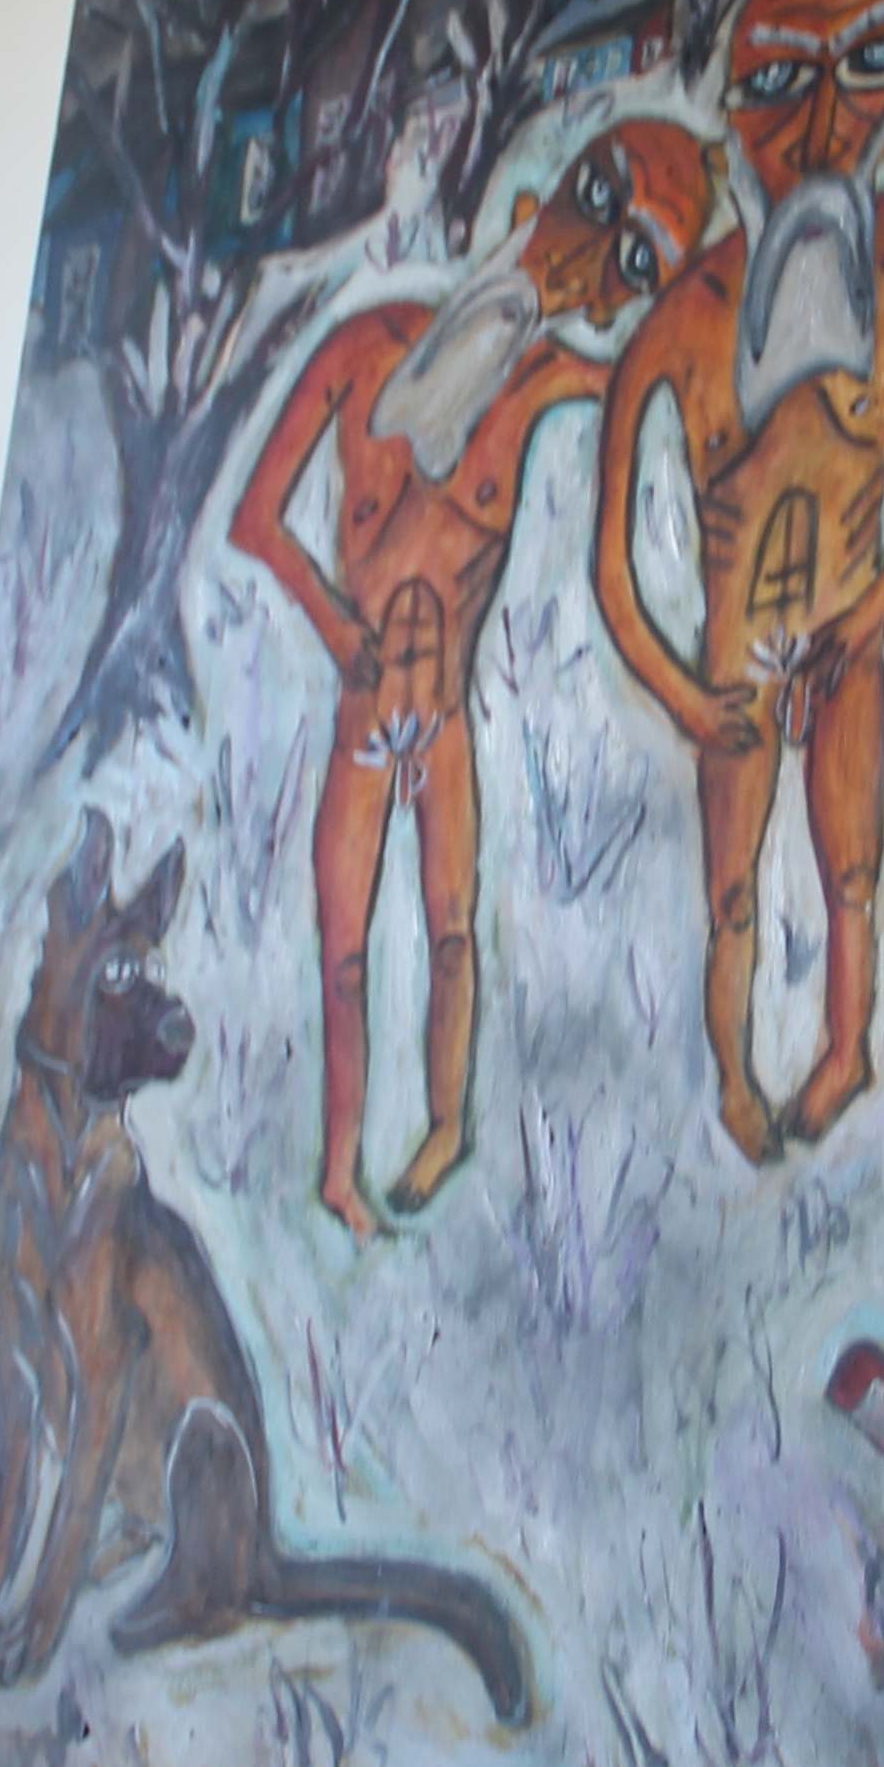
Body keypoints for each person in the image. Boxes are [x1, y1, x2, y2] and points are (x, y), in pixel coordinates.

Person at [231, 121, 718, 1227]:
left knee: (453, 934)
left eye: (633, 260)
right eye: (598, 197)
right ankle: (340, 1170)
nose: (588, 259)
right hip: (365, 712)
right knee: (344, 954)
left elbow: (658, 369)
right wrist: (335, 629)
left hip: (442, 716)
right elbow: (256, 519)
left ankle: (445, 1129)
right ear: (537, 203)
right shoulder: (366, 348)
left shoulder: (544, 379)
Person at [591, 0, 884, 1159]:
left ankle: (845, 1051)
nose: (822, 124)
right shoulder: (679, 324)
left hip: (845, 637)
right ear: (732, 111)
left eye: (867, 64)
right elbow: (612, 569)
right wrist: (682, 697)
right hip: (735, 666)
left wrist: (864, 620)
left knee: (852, 871)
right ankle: (734, 1081)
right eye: (777, 81)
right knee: (731, 896)